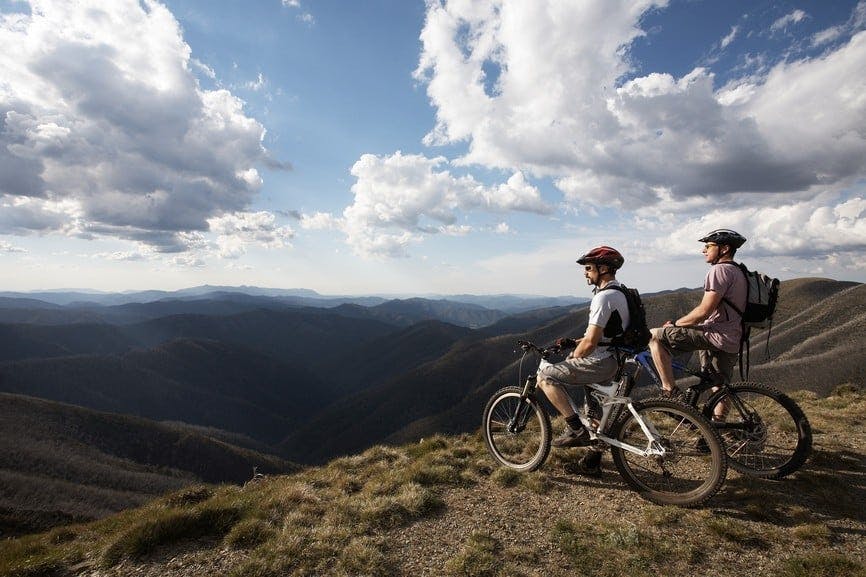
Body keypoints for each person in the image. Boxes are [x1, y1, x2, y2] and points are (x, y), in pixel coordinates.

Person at [537, 245, 631, 477]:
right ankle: (592, 461)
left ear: (604, 268)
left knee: (545, 377)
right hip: (615, 359)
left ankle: (574, 428)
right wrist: (574, 341)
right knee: (595, 414)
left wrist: (573, 355)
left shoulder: (603, 297)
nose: (585, 273)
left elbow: (590, 343)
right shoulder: (621, 293)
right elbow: (605, 335)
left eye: (589, 268)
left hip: (600, 363)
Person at [648, 229, 748, 419]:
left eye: (708, 246)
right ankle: (717, 429)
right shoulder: (738, 271)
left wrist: (675, 324)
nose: (704, 250)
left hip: (715, 334)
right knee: (720, 386)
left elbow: (703, 312)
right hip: (733, 337)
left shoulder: (719, 270)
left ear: (724, 248)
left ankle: (670, 392)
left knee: (654, 336)